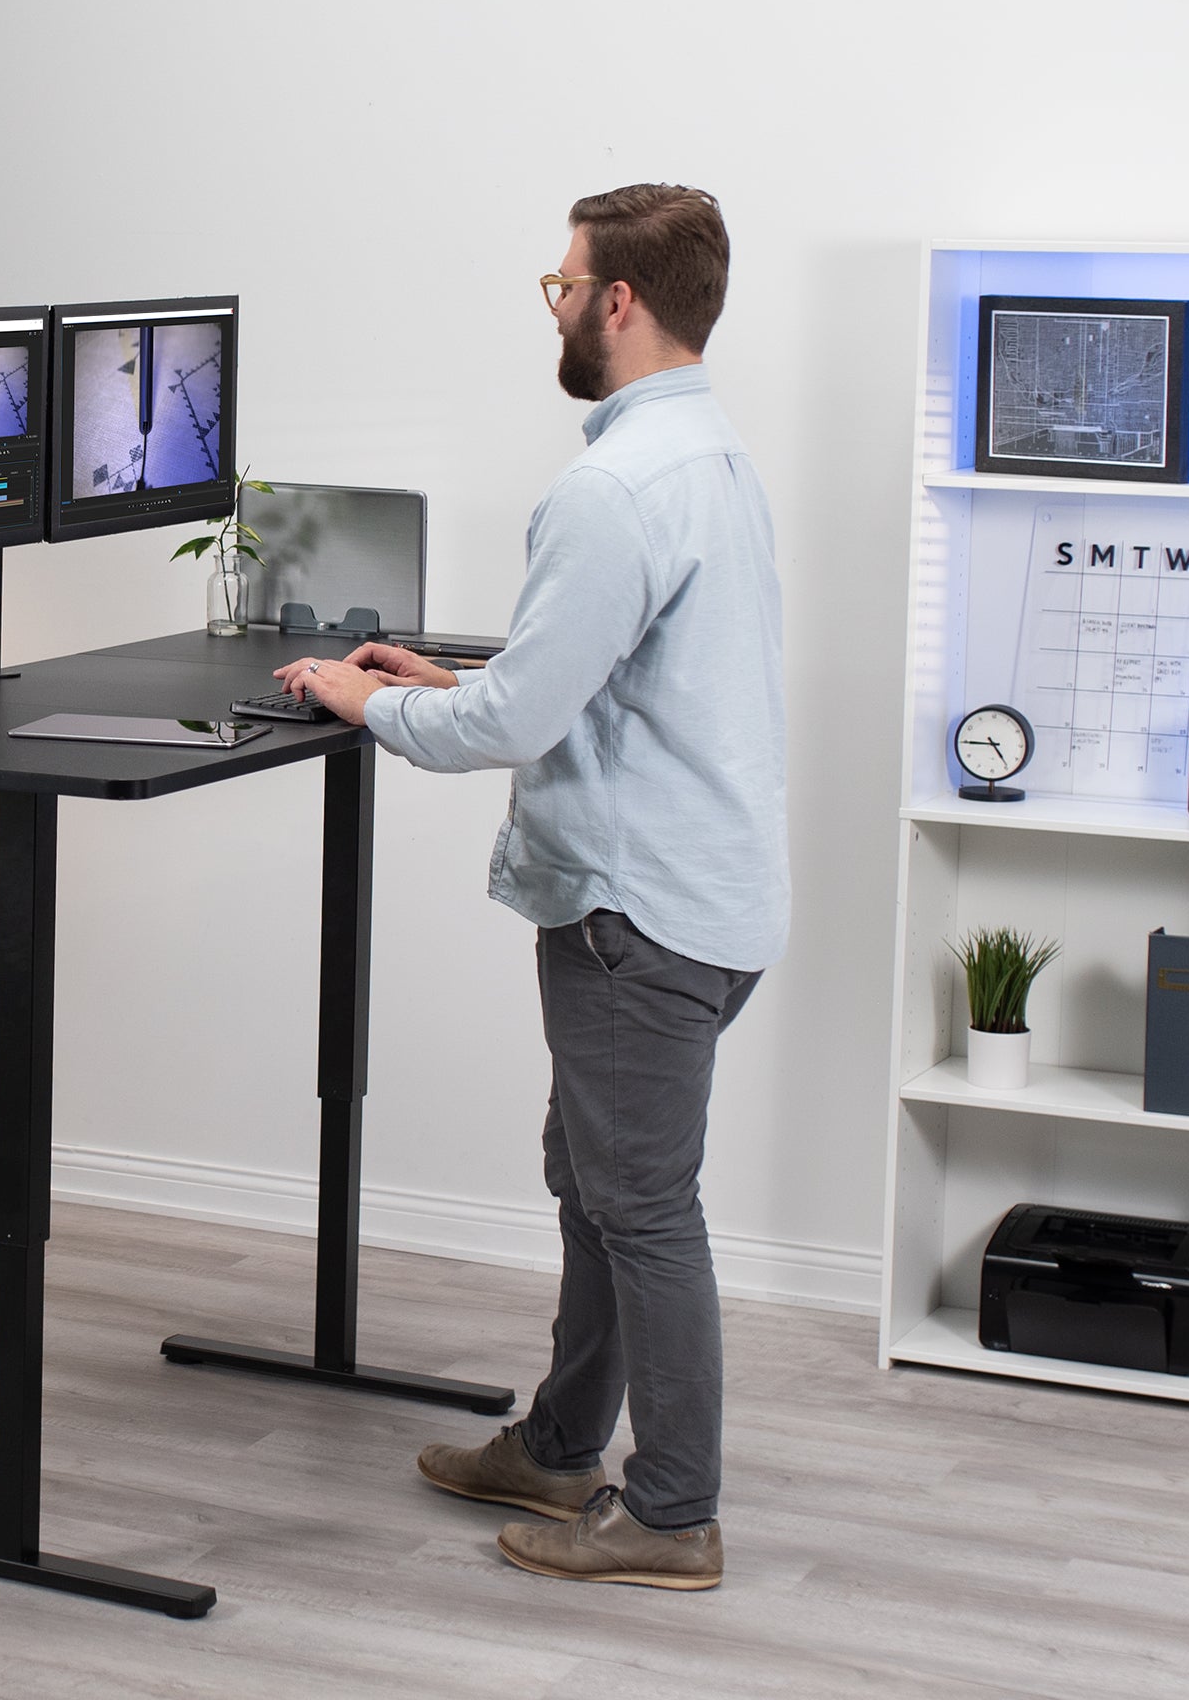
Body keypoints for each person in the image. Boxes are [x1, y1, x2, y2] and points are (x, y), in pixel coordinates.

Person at [275, 183, 787, 1592]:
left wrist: (350, 698)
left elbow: (507, 736)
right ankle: (563, 1446)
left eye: (562, 283)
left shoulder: (613, 490)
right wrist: (456, 676)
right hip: (710, 890)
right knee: (596, 1184)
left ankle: (674, 1515)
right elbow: (602, 686)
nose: (554, 305)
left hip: (638, 913)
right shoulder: (708, 456)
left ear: (619, 301)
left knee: (641, 1203)